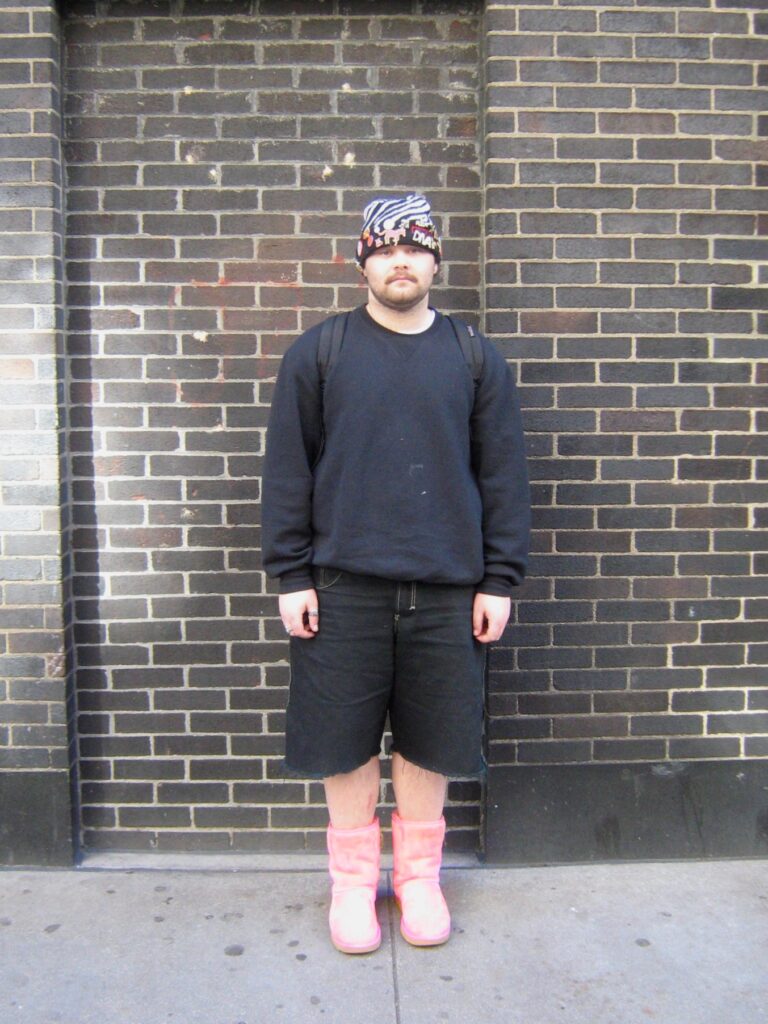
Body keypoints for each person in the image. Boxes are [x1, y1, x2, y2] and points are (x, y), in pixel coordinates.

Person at [261, 193, 530, 954]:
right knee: (343, 743)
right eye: (383, 250)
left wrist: (499, 580)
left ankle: (417, 880)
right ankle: (353, 884)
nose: (399, 261)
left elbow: (504, 477)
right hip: (342, 588)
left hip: (448, 591)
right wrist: (291, 575)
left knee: (428, 742)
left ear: (436, 259)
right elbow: (288, 472)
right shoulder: (319, 354)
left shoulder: (475, 358)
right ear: (362, 262)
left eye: (414, 248)